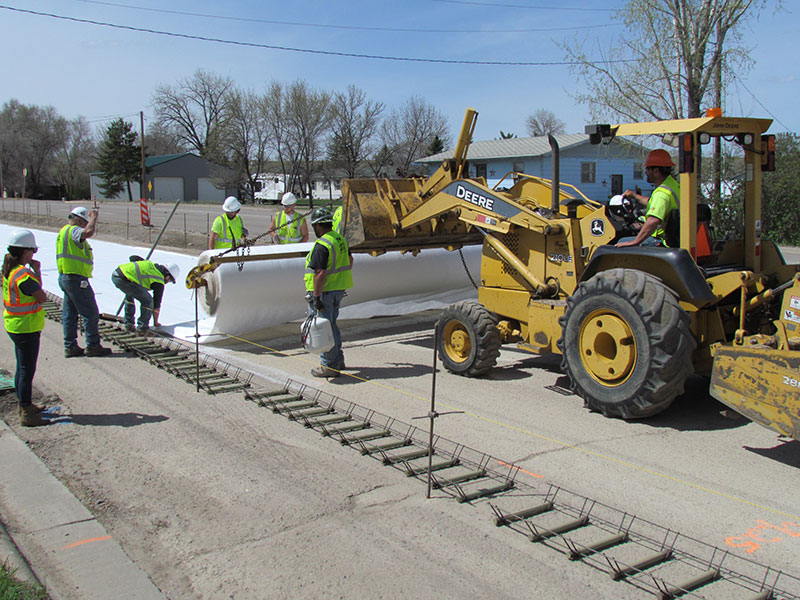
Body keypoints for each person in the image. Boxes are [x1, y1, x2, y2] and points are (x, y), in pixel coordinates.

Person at [3, 230, 49, 427]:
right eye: (32, 251)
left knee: (22, 368)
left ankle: (25, 405)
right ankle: (26, 411)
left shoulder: (10, 270)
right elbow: (41, 297)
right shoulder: (23, 275)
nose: (33, 255)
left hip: (15, 324)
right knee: (26, 369)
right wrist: (36, 271)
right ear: (25, 252)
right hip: (25, 327)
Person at [56, 206, 112, 357]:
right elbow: (88, 232)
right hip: (76, 279)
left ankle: (70, 346)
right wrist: (94, 217)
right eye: (85, 222)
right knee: (91, 313)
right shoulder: (72, 230)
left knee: (70, 314)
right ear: (80, 220)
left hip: (66, 278)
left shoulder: (63, 233)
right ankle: (93, 345)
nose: (85, 225)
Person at [304, 207, 353, 377]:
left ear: (318, 226)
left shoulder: (322, 244)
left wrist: (316, 296)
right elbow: (350, 260)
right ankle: (338, 360)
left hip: (324, 293)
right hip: (337, 290)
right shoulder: (340, 239)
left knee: (324, 329)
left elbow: (320, 273)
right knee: (331, 326)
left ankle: (329, 366)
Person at [616, 149, 679, 247]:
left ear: (656, 171)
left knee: (621, 241)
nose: (645, 173)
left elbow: (653, 220)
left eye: (647, 169)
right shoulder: (673, 185)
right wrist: (634, 196)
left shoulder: (661, 194)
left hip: (663, 241)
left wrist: (635, 242)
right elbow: (654, 203)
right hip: (675, 237)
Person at [111, 259, 180, 334]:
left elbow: (133, 257)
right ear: (167, 277)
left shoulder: (150, 265)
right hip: (124, 279)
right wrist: (156, 322)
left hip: (117, 274)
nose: (167, 282)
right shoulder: (158, 281)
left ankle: (129, 324)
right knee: (148, 301)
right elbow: (156, 304)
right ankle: (142, 328)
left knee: (130, 294)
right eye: (170, 281)